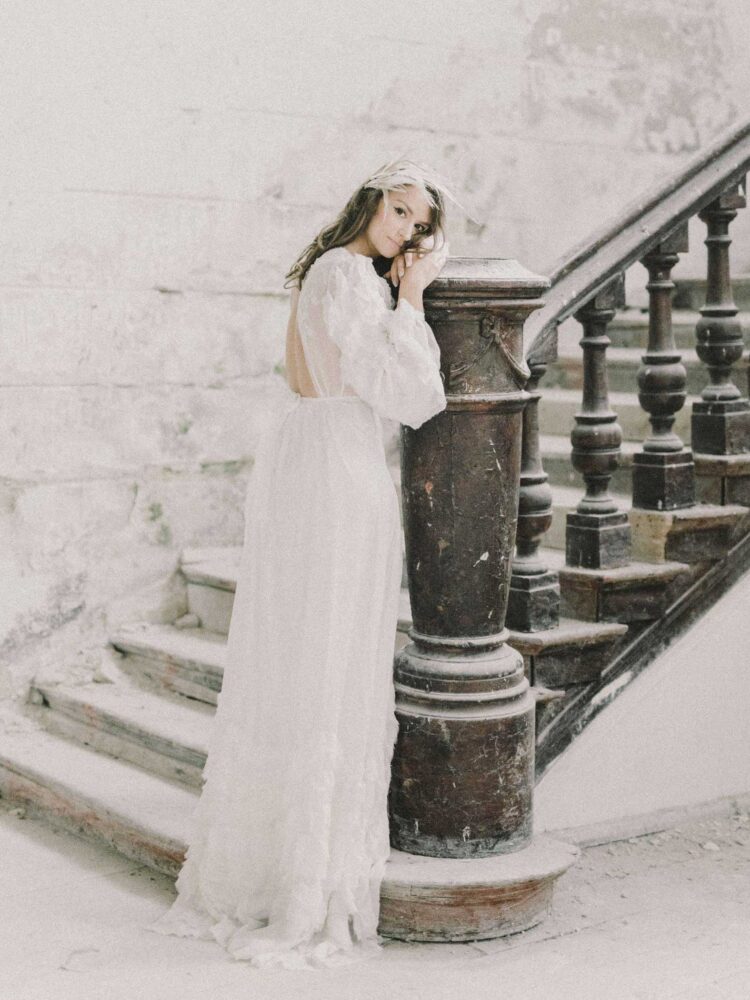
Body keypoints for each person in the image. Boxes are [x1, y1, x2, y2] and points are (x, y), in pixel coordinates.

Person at [146, 159, 453, 970]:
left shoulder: (326, 268)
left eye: (420, 224)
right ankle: (305, 882)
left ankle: (282, 862)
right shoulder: (351, 277)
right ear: (371, 202)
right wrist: (415, 298)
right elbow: (413, 395)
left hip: (314, 455)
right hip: (340, 465)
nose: (405, 229)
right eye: (398, 210)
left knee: (308, 653)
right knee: (329, 656)